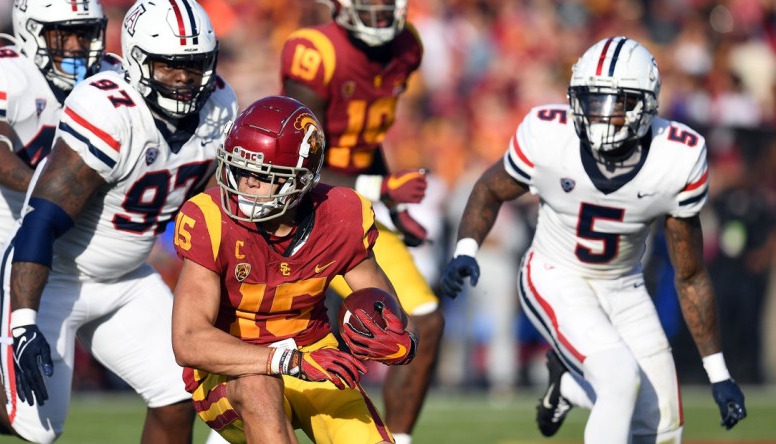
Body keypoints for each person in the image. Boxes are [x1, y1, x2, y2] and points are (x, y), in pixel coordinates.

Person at [439, 36, 747, 443]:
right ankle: (578, 384)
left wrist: (718, 372)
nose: (599, 116)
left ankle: (568, 387)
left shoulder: (678, 158)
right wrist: (466, 248)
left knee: (663, 428)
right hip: (553, 273)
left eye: (615, 104)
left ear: (647, 104)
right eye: (590, 100)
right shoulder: (549, 134)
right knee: (618, 378)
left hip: (624, 286)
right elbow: (490, 188)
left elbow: (689, 275)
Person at [0, 0, 237, 442]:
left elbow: (207, 205)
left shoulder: (220, 104)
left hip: (128, 278)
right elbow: (40, 221)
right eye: (169, 66)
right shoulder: (109, 107)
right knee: (34, 428)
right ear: (140, 62)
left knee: (181, 390)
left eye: (195, 64)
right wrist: (24, 319)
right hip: (58, 277)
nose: (184, 78)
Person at [171, 95, 419, 444]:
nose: (246, 185)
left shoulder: (342, 216)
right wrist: (290, 361)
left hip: (315, 355)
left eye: (262, 175)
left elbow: (398, 320)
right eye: (240, 170)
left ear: (302, 180)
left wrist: (400, 343)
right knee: (260, 386)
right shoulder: (209, 217)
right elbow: (189, 341)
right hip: (231, 370)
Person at [280, 2, 444, 442]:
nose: (380, 15)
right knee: (285, 336)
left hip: (354, 205)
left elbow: (364, 142)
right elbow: (297, 155)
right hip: (301, 211)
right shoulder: (316, 53)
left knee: (422, 320)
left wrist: (387, 204)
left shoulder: (407, 47)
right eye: (368, 7)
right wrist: (382, 188)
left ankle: (399, 438)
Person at [0, 0, 120, 434]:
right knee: (18, 412)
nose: (79, 45)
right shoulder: (4, 70)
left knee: (37, 420)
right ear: (30, 30)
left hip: (58, 243)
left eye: (86, 32)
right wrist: (52, 193)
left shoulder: (111, 79)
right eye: (65, 33)